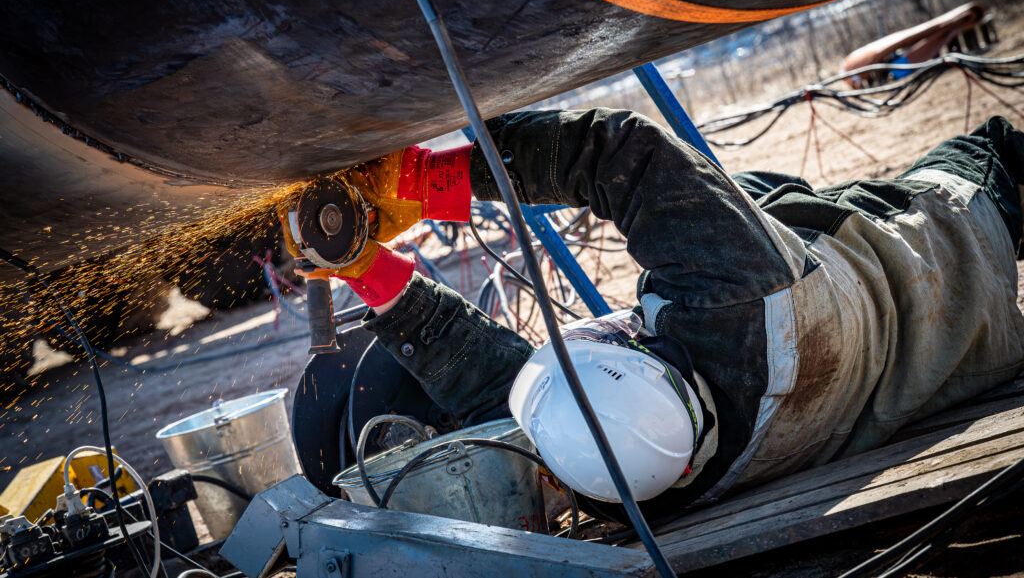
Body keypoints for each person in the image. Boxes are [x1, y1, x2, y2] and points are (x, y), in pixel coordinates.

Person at [284, 108, 1024, 524]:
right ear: (640, 348)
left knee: (763, 196)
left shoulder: (632, 478)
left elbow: (496, 392)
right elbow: (622, 156)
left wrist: (366, 270)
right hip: (946, 249)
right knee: (997, 153)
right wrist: (426, 180)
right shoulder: (736, 297)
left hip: (914, 353)